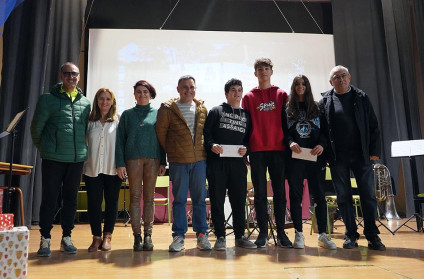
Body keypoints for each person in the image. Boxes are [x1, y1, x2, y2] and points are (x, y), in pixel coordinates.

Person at [319, 65, 385, 250]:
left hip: (362, 155)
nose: (340, 79)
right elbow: (322, 132)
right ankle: (350, 235)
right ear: (330, 82)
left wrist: (374, 150)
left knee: (368, 196)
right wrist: (324, 155)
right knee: (343, 197)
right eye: (336, 77)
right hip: (337, 157)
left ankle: (372, 235)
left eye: (343, 76)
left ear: (349, 77)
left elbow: (373, 125)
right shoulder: (325, 101)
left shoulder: (361, 97)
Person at [31, 62, 91, 257]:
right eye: (67, 74)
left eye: (75, 74)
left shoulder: (85, 102)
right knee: (49, 199)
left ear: (79, 77)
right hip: (53, 159)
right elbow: (36, 129)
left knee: (71, 200)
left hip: (76, 160)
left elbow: (85, 132)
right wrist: (47, 149)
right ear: (60, 75)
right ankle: (45, 239)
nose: (71, 77)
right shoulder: (47, 100)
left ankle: (67, 237)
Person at [156, 75, 211, 252]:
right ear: (178, 89)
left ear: (195, 89)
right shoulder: (167, 109)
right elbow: (161, 136)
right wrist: (168, 156)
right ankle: (178, 237)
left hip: (200, 162)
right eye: (185, 87)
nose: (189, 90)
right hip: (178, 162)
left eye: (192, 87)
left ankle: (202, 235)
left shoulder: (202, 108)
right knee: (179, 200)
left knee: (199, 200)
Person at [241, 58, 292, 248]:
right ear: (255, 73)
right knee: (260, 193)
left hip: (279, 150)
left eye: (266, 68)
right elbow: (245, 125)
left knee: (279, 193)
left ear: (272, 71)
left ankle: (281, 233)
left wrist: (289, 145)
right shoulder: (248, 97)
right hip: (257, 150)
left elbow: (287, 124)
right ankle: (263, 233)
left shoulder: (282, 95)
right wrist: (245, 148)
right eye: (260, 69)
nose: (263, 72)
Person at [203, 78, 256, 250]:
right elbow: (207, 134)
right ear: (226, 93)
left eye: (239, 90)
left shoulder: (246, 115)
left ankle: (240, 236)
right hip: (217, 164)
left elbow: (249, 140)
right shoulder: (216, 111)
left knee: (239, 201)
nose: (237, 93)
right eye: (233, 90)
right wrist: (212, 145)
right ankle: (220, 237)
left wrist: (246, 149)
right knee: (217, 201)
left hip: (237, 165)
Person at [285, 75, 337, 250]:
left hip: (315, 158)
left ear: (307, 86)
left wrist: (322, 145)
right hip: (295, 158)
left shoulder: (317, 107)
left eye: (303, 84)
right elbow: (284, 132)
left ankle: (322, 234)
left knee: (319, 196)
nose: (300, 86)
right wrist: (290, 142)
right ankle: (299, 234)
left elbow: (325, 131)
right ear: (293, 87)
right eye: (297, 84)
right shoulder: (287, 108)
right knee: (296, 196)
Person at [115, 80, 166, 251]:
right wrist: (120, 163)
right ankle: (137, 237)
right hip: (132, 160)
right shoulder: (127, 115)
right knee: (135, 197)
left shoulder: (158, 113)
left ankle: (148, 236)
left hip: (153, 159)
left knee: (150, 198)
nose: (142, 94)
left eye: (145, 91)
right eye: (138, 91)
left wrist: (163, 161)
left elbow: (163, 139)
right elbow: (120, 140)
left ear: (151, 94)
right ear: (134, 94)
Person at [84, 88, 122, 252]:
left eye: (108, 99)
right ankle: (96, 237)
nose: (104, 102)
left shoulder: (118, 120)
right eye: (101, 99)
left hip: (112, 168)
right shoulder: (89, 121)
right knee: (93, 203)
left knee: (112, 202)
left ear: (112, 102)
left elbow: (122, 145)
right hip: (92, 168)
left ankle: (107, 236)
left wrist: (122, 164)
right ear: (96, 101)